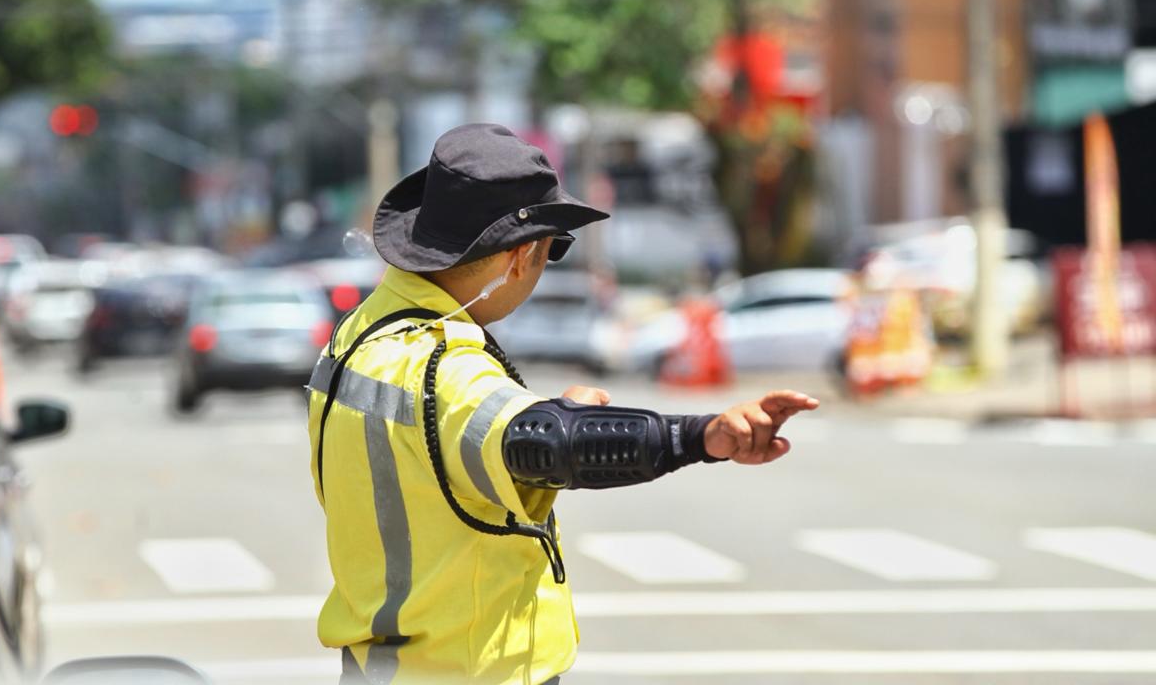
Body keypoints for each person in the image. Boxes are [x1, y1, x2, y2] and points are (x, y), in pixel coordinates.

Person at [307, 123, 819, 684]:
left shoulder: (360, 332)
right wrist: (700, 435)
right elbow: (544, 443)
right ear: (522, 254)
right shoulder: (442, 365)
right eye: (555, 248)